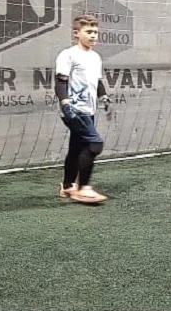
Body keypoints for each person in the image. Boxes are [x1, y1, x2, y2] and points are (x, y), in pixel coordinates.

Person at [54, 14, 110, 204]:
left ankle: (67, 186)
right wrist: (65, 103)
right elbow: (60, 82)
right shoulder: (68, 55)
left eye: (95, 32)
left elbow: (97, 81)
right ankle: (84, 188)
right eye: (89, 32)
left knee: (76, 148)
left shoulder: (95, 57)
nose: (93, 35)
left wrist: (103, 96)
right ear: (76, 33)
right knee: (95, 144)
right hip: (74, 109)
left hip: (89, 110)